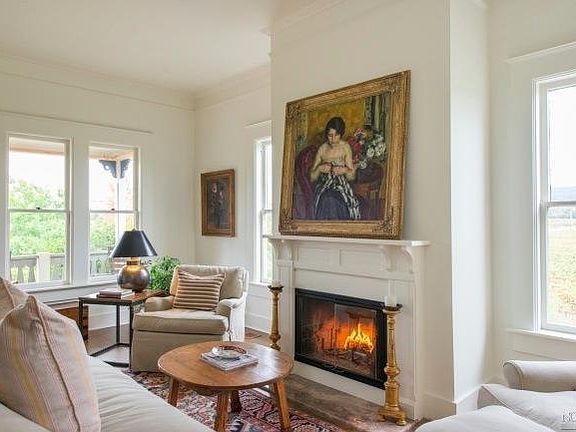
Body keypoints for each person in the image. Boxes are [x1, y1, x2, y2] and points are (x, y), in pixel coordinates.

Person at [309, 116, 361, 220]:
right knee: (327, 198)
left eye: (336, 135)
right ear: (326, 135)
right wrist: (319, 169)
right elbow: (312, 177)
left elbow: (351, 177)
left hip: (341, 186)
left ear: (341, 134)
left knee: (334, 200)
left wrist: (344, 170)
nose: (333, 139)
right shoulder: (322, 149)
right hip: (325, 186)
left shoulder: (345, 147)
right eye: (330, 135)